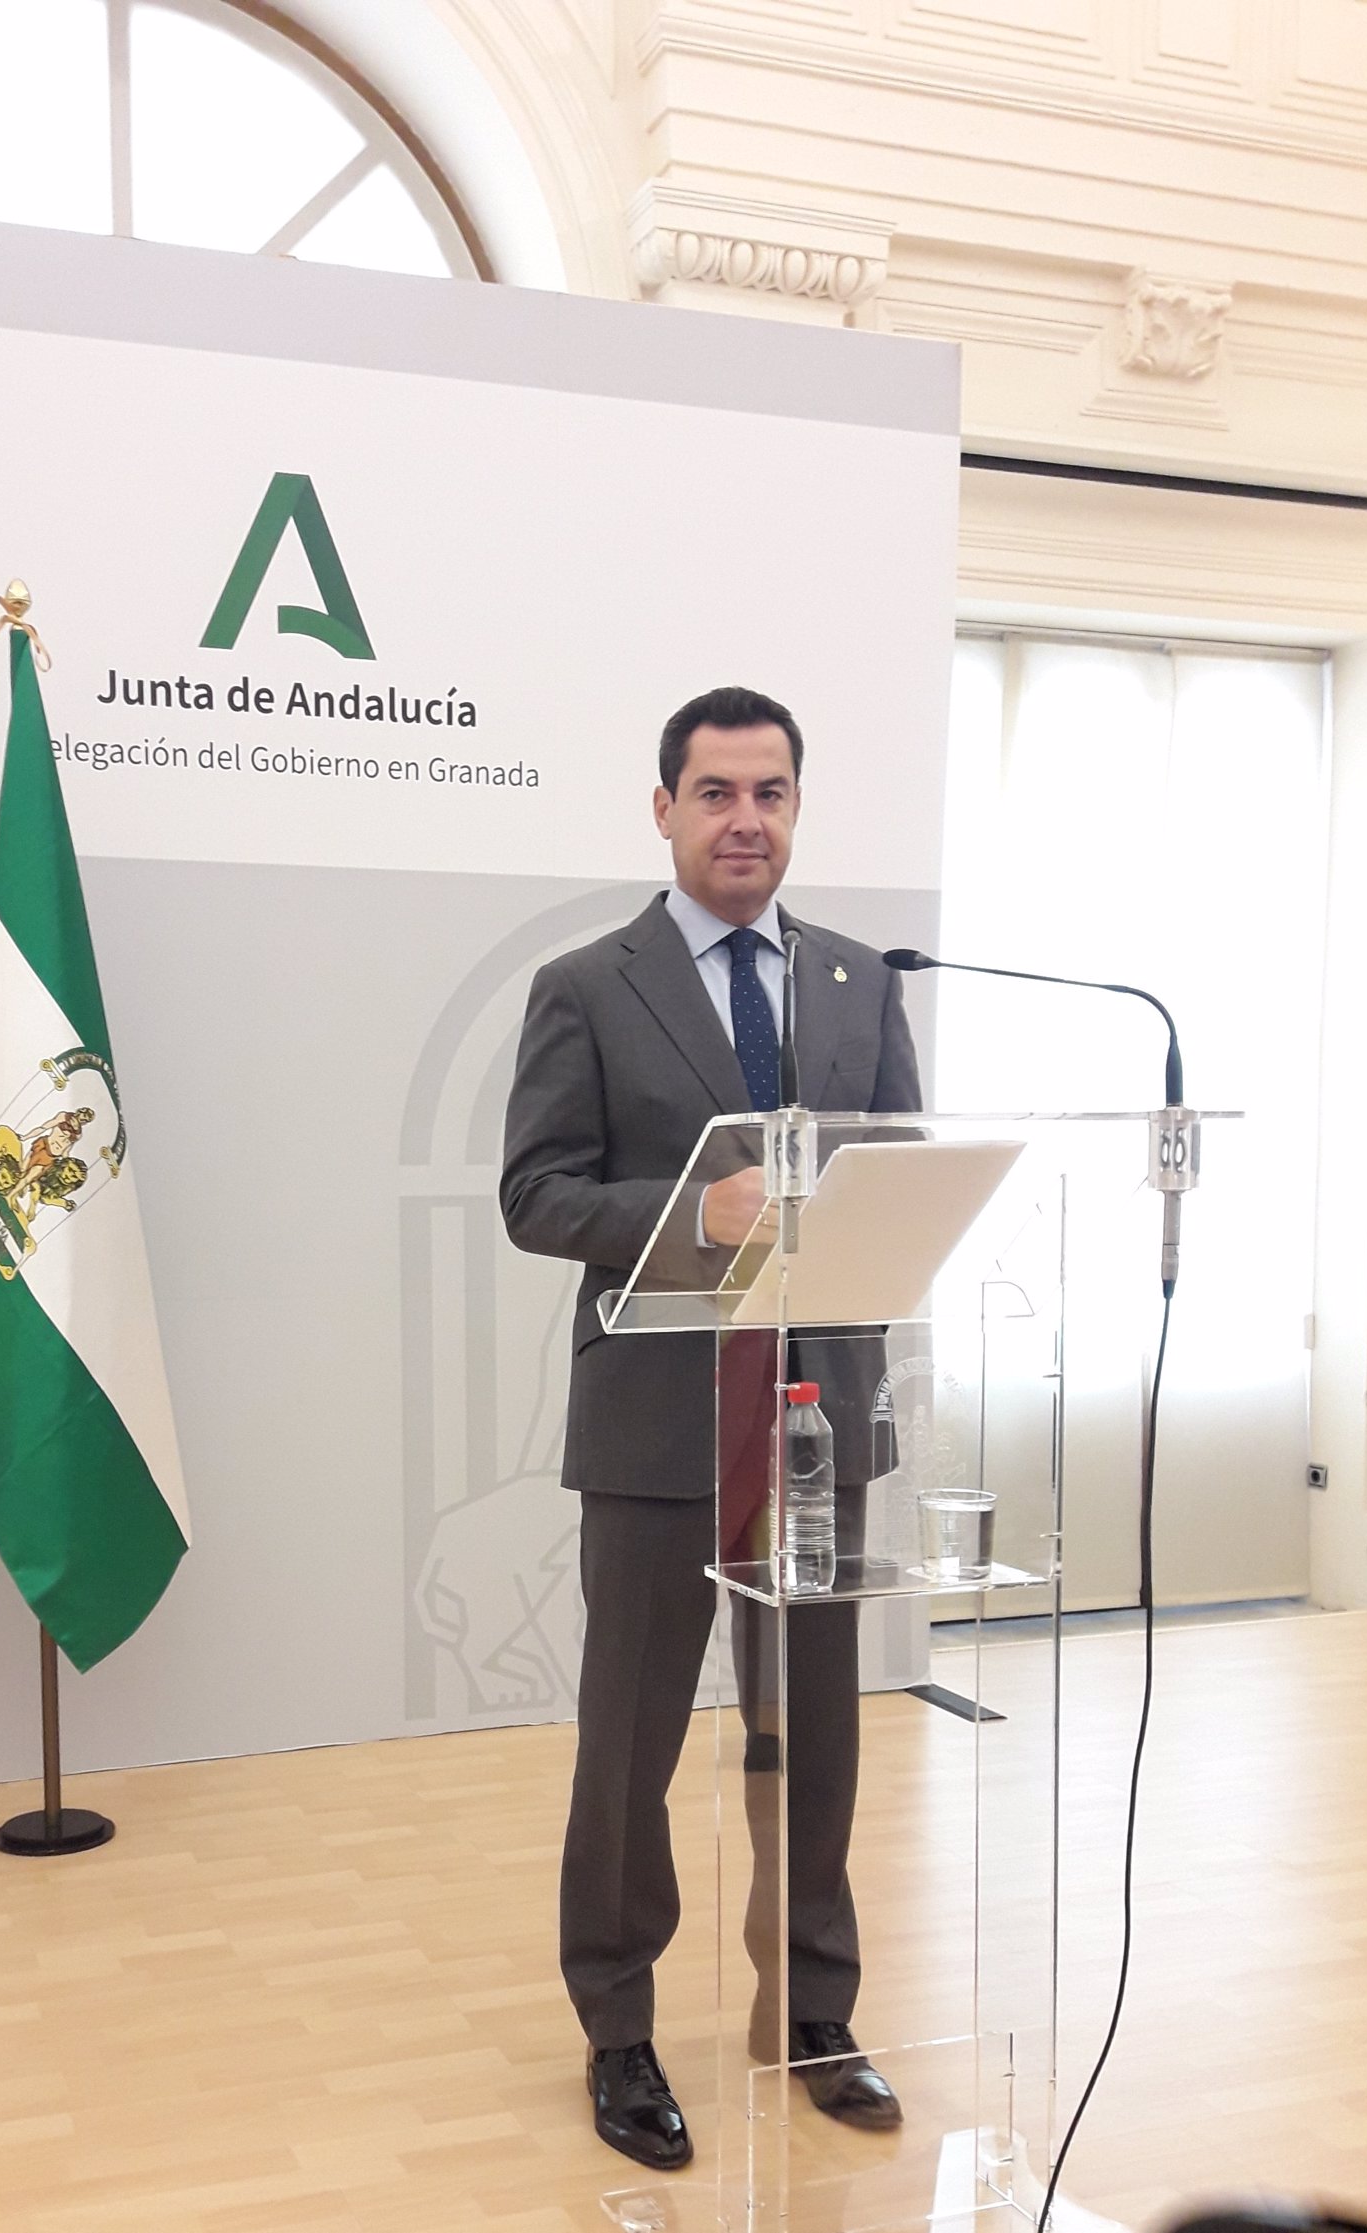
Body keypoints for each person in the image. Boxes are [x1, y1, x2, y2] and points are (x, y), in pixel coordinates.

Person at [500, 685, 921, 2170]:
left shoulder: (865, 983)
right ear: (665, 805)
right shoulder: (588, 985)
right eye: (718, 791)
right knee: (632, 1738)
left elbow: (899, 1176)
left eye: (773, 792)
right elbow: (535, 1193)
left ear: (798, 806)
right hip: (661, 1421)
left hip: (819, 1418)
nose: (748, 818)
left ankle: (814, 2010)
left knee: (814, 1733)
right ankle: (618, 2025)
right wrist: (695, 1213)